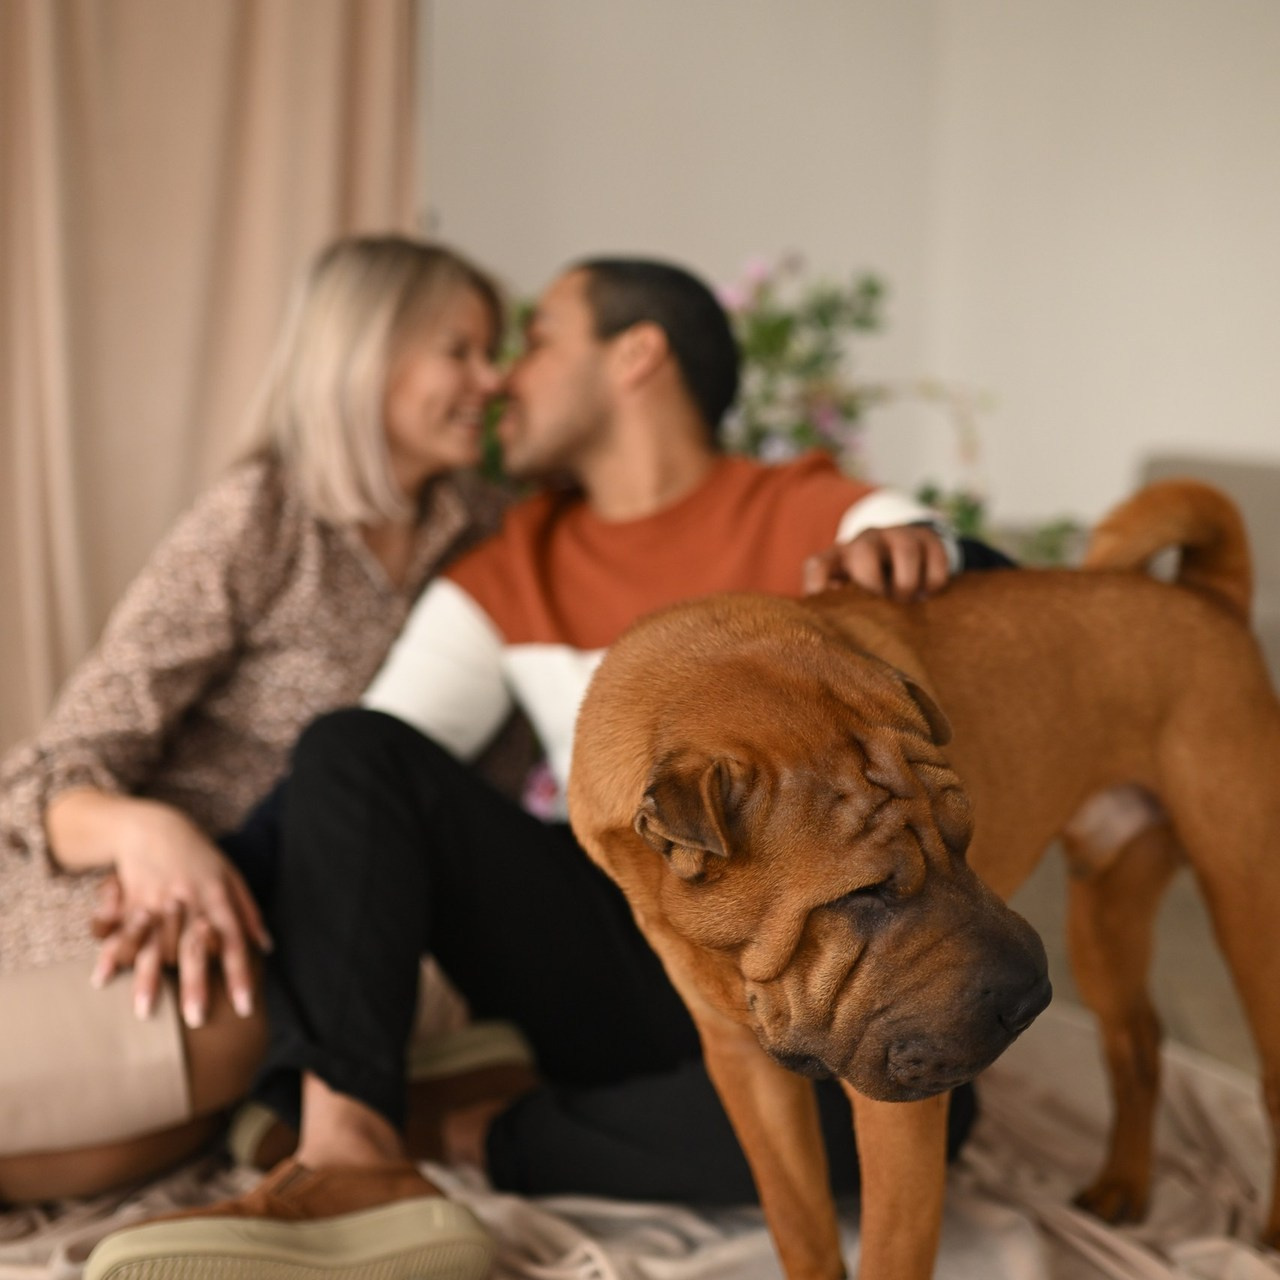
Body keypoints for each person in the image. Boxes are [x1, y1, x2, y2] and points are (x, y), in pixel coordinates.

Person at [85, 258, 988, 1280]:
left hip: (790, 968)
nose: (503, 377)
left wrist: (926, 552)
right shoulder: (512, 559)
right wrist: (180, 859)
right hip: (612, 945)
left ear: (634, 355)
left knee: (907, 1108)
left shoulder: (805, 510)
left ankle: (480, 1127)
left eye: (537, 339)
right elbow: (360, 794)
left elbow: (939, 557)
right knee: (347, 746)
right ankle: (344, 1146)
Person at [0, 234, 509, 1203]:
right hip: (130, 906)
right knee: (210, 1040)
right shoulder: (260, 517)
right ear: (367, 352)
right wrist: (154, 834)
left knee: (212, 1075)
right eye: (461, 349)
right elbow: (49, 771)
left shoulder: (489, 533)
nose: (491, 380)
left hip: (295, 938)